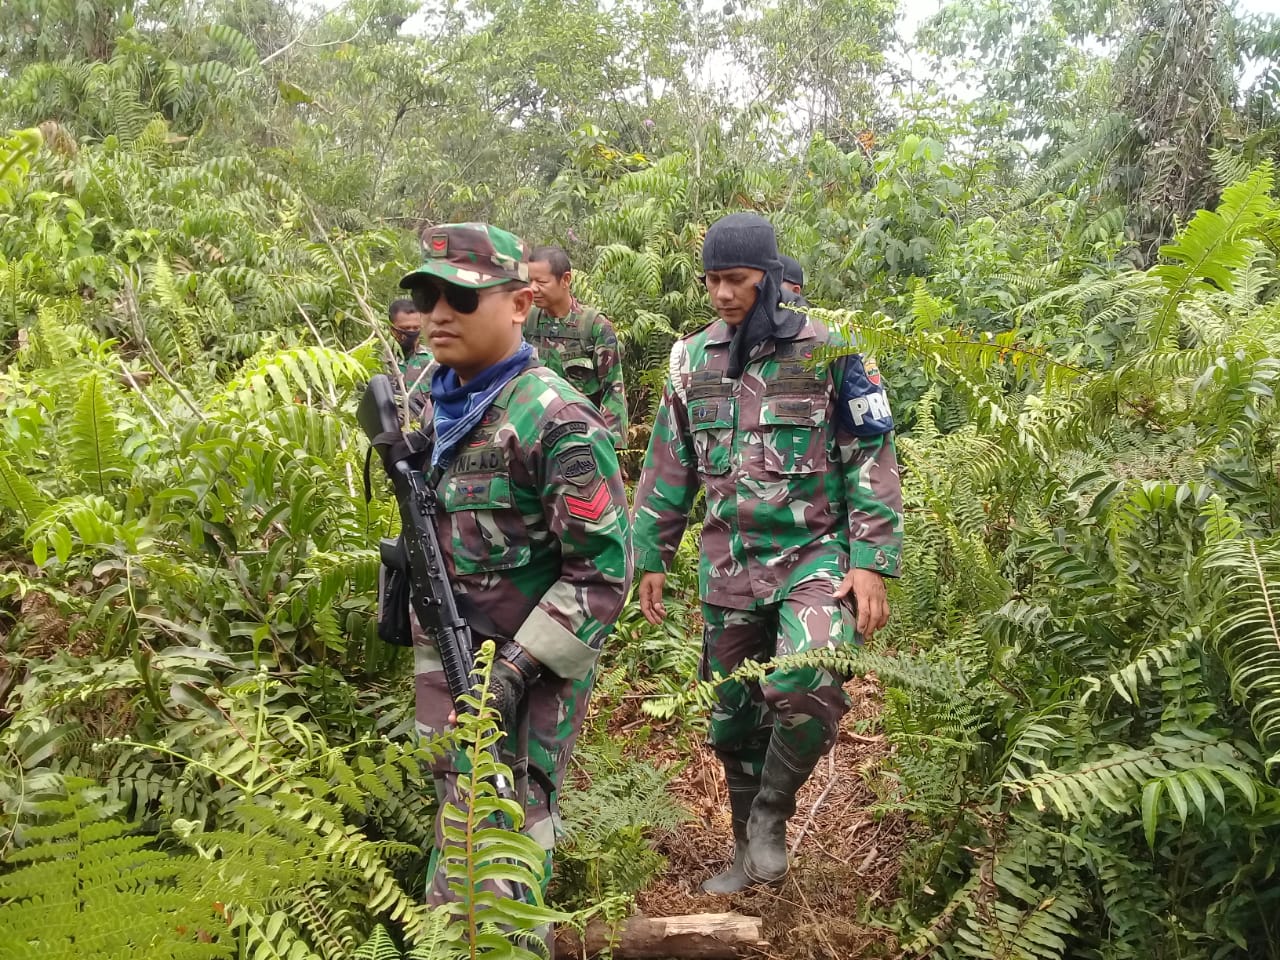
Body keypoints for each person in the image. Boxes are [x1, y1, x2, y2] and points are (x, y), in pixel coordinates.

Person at [631, 212, 902, 893]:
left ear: (772, 278)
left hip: (814, 557)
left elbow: (870, 452)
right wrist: (651, 556)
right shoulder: (690, 360)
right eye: (712, 281)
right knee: (733, 720)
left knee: (806, 680)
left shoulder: (833, 349)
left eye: (737, 280)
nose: (722, 293)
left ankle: (773, 816)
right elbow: (668, 467)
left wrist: (870, 559)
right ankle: (743, 853)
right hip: (728, 562)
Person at [396, 223, 633, 911]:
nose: (439, 313)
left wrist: (513, 674)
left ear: (520, 304)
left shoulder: (554, 421)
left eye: (462, 299)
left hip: (521, 682)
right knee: (459, 820)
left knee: (499, 861)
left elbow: (602, 576)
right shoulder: (426, 396)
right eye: (428, 294)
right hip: (443, 665)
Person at [525, 245, 629, 449]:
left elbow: (613, 390)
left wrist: (611, 448)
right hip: (533, 439)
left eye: (541, 282)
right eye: (530, 280)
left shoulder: (594, 327)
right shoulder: (526, 322)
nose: (532, 288)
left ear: (565, 280)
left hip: (581, 440)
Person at [387, 298, 433, 394]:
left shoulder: (433, 361)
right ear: (391, 328)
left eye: (416, 328)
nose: (411, 332)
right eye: (405, 328)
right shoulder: (378, 362)